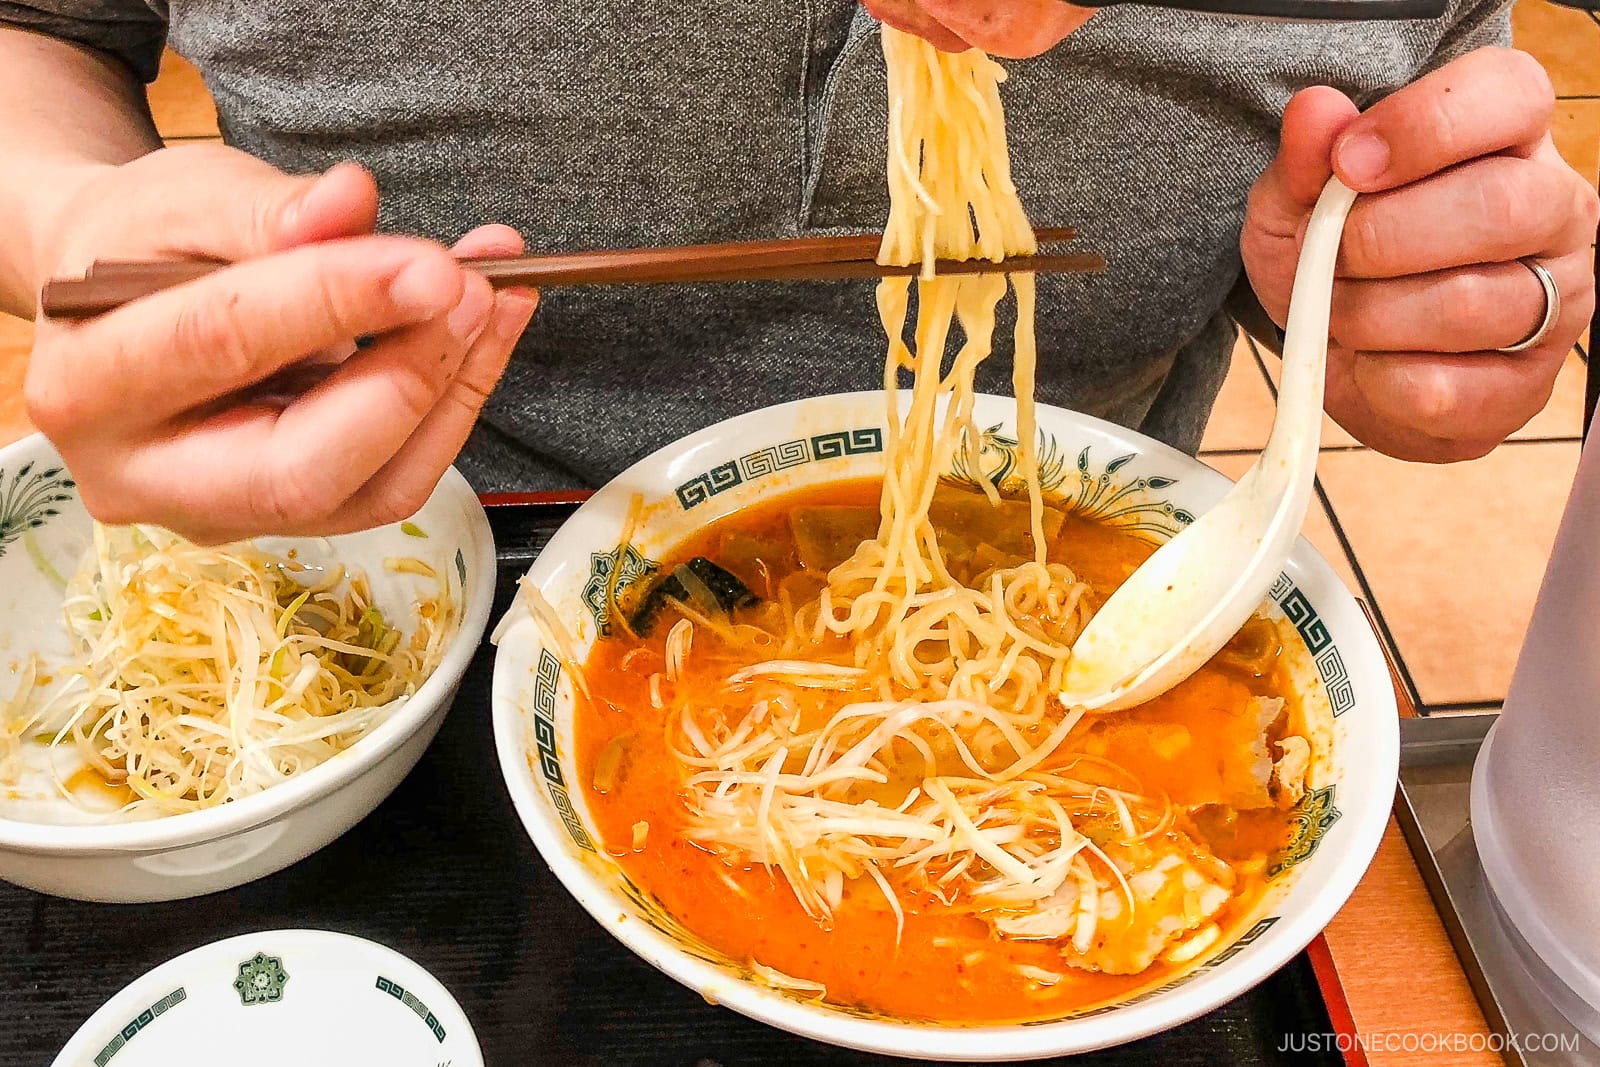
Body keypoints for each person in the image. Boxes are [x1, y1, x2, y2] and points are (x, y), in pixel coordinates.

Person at [0, 2, 1594, 544]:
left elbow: (1410, 95)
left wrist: (1396, 290)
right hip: (390, 578)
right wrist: (76, 217)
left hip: (1071, 561)